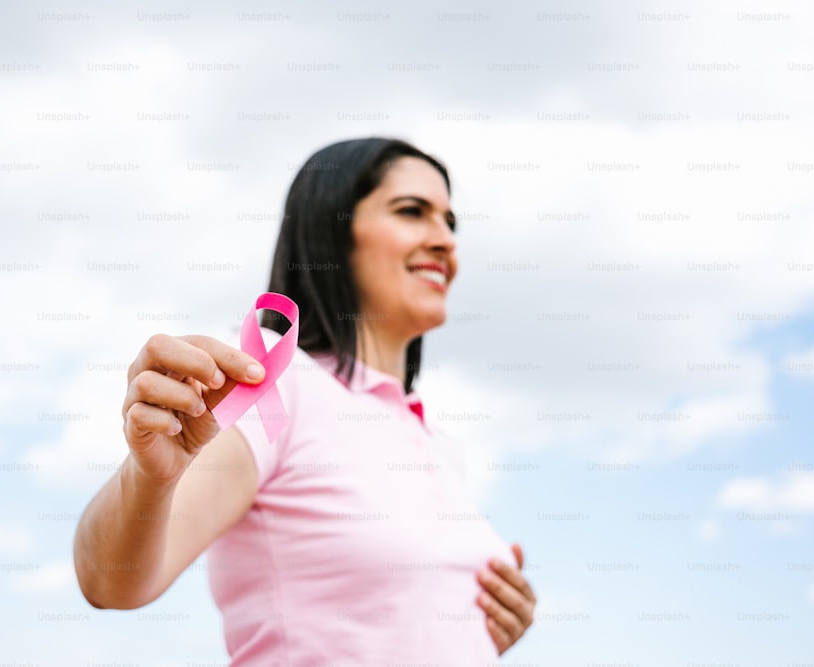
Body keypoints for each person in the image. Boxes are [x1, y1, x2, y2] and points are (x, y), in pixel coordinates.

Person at [74, 137, 537, 665]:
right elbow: (111, 583)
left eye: (450, 223)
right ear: (332, 231)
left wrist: (475, 629)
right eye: (412, 212)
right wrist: (149, 476)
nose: (444, 241)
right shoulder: (278, 386)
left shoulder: (440, 445)